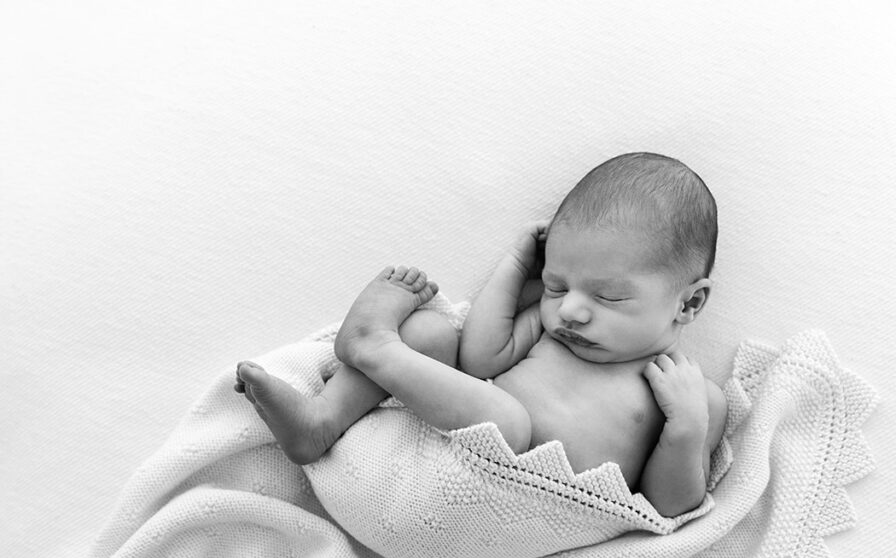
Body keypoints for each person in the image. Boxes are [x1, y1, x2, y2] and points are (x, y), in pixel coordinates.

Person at [235, 152, 727, 517]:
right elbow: (477, 360)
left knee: (509, 421)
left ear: (688, 302)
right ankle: (321, 421)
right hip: (434, 471)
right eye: (557, 284)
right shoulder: (549, 330)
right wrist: (516, 266)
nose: (572, 310)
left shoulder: (693, 398)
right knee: (432, 335)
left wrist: (686, 428)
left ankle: (372, 347)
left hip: (521, 509)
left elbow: (669, 507)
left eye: (608, 297)